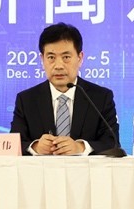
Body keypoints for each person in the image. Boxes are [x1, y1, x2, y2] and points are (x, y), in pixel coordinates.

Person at [10, 23, 120, 155]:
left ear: (80, 58)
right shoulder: (26, 100)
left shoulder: (101, 97)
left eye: (66, 57)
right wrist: (36, 147)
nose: (58, 66)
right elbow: (13, 144)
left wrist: (80, 147)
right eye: (51, 57)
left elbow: (112, 143)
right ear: (42, 59)